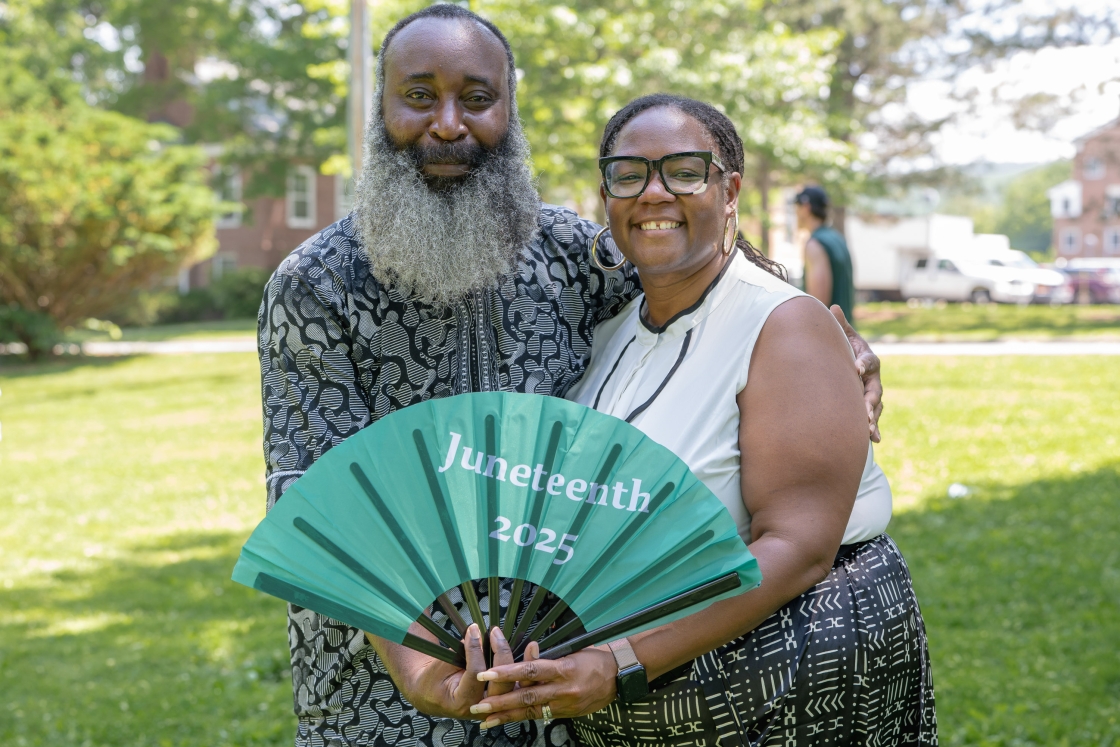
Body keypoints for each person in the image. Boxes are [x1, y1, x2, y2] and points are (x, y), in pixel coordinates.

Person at [257, 7, 884, 747]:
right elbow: (317, 496)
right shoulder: (316, 285)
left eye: (477, 98)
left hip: (562, 687)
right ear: (380, 108)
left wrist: (825, 342)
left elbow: (705, 279)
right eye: (419, 96)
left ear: (510, 110)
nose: (449, 123)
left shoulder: (572, 255)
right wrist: (422, 673)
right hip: (380, 694)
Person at [468, 95, 936, 745]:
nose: (654, 192)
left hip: (789, 685)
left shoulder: (784, 324)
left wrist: (620, 661)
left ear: (730, 189)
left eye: (684, 171)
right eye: (629, 173)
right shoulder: (610, 333)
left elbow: (798, 547)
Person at [796, 185, 857, 325]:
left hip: (827, 340)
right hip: (845, 336)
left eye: (797, 208)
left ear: (806, 207)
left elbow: (818, 306)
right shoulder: (836, 238)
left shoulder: (815, 244)